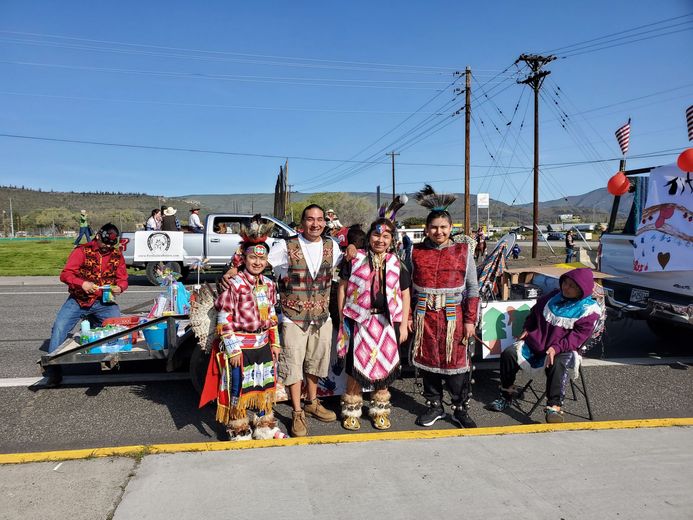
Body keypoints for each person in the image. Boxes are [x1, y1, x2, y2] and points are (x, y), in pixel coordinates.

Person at [199, 217, 286, 440]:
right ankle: (239, 427)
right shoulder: (234, 283)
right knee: (237, 387)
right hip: (240, 345)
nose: (257, 262)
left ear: (267, 260)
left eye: (261, 258)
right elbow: (223, 317)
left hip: (263, 343)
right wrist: (233, 348)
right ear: (243, 258)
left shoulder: (268, 284)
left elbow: (273, 316)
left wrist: (274, 342)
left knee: (264, 384)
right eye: (252, 257)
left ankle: (264, 424)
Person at [487, 267, 600, 423]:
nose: (566, 288)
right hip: (538, 341)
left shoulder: (589, 310)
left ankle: (554, 407)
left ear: (582, 290)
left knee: (558, 363)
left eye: (572, 286)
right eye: (565, 283)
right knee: (509, 353)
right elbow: (534, 313)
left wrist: (556, 348)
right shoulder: (553, 296)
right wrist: (527, 328)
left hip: (563, 348)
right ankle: (506, 393)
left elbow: (577, 338)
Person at [268, 204, 343, 436]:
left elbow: (350, 264)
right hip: (293, 317)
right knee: (292, 365)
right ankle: (297, 412)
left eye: (320, 219)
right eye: (310, 219)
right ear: (302, 222)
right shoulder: (285, 246)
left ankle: (312, 402)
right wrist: (234, 269)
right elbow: (258, 261)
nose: (316, 224)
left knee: (315, 363)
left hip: (321, 317)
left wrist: (352, 246)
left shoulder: (333, 246)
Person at [409, 185, 480, 429]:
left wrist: (470, 320)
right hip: (424, 317)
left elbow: (472, 287)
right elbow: (406, 287)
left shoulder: (463, 251)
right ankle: (434, 406)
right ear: (426, 229)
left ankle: (459, 408)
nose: (438, 232)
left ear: (451, 228)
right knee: (428, 363)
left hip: (454, 317)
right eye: (434, 227)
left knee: (456, 363)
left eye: (443, 227)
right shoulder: (414, 251)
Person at [337, 218, 411, 430]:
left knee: (384, 368)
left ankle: (380, 410)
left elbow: (405, 295)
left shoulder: (397, 263)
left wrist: (404, 323)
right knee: (355, 368)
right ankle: (351, 410)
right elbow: (342, 288)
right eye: (377, 235)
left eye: (386, 236)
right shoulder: (355, 258)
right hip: (359, 321)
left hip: (387, 323)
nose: (380, 240)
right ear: (369, 237)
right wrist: (343, 318)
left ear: (391, 240)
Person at [45, 223, 128, 386]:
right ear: (98, 236)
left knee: (116, 327)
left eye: (111, 245)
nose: (108, 248)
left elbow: (123, 279)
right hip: (78, 300)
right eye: (105, 244)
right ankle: (53, 369)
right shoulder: (81, 251)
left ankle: (108, 359)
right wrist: (82, 283)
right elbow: (66, 274)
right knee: (59, 328)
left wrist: (120, 287)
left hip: (104, 302)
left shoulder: (117, 255)